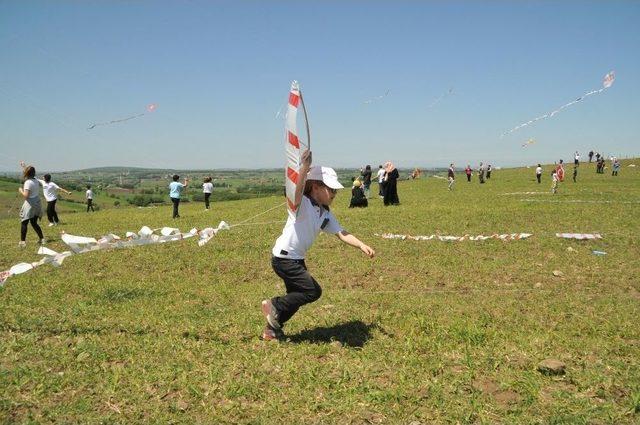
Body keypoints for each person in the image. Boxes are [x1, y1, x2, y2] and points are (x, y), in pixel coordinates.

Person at [261, 150, 375, 341]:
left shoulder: (324, 213)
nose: (334, 194)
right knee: (312, 291)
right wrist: (304, 168)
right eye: (331, 189)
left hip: (296, 259)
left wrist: (361, 245)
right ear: (315, 187)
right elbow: (295, 191)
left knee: (296, 298)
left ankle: (271, 329)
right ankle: (275, 305)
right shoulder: (302, 204)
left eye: (336, 190)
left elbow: (342, 233)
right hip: (284, 258)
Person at [18, 163, 45, 247]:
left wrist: (20, 190)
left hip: (30, 203)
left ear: (26, 174)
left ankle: (22, 242)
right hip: (37, 203)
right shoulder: (35, 180)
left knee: (24, 222)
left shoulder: (28, 183)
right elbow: (28, 172)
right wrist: (23, 166)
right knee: (34, 222)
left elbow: (26, 196)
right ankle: (42, 239)